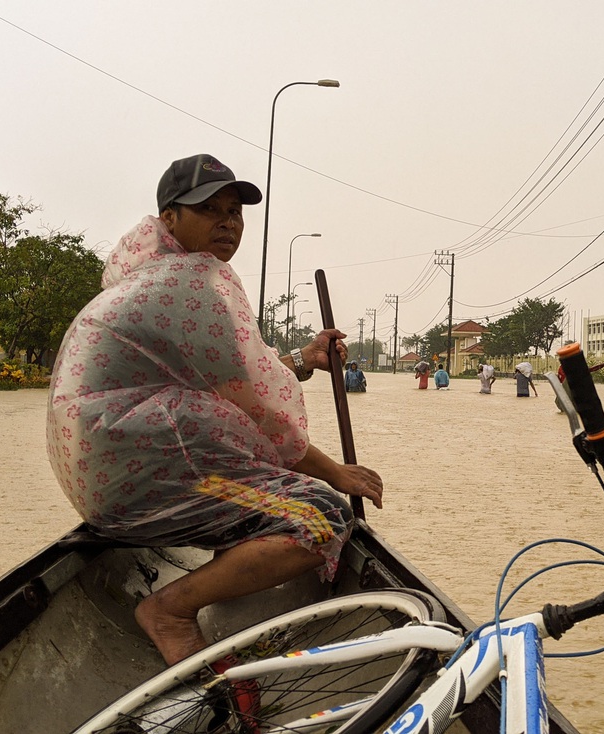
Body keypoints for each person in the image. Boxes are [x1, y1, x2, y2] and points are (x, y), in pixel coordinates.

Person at [46, 153, 383, 667]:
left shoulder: (156, 273)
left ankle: (230, 561)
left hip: (108, 477)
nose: (228, 221)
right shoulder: (189, 286)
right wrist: (337, 475)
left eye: (235, 211)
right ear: (170, 219)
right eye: (209, 209)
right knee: (320, 517)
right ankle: (168, 610)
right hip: (135, 485)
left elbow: (234, 381)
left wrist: (303, 358)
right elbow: (264, 416)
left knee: (262, 469)